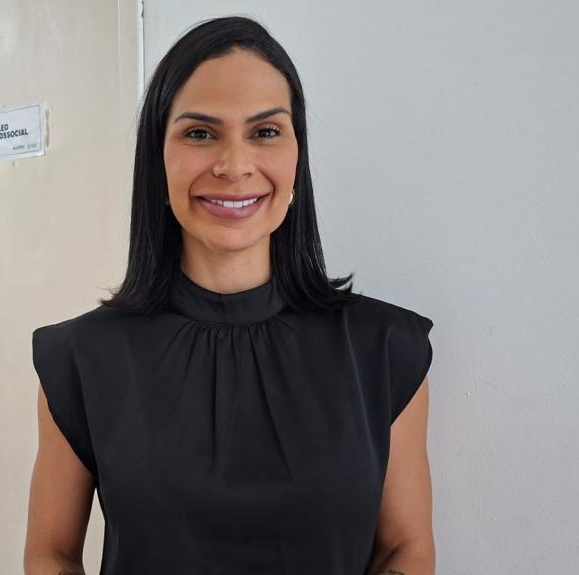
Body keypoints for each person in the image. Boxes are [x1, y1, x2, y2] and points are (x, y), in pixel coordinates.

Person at [24, 15, 435, 575]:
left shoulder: (385, 350)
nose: (235, 166)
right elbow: (50, 553)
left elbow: (405, 549)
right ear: (157, 159)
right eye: (200, 133)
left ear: (297, 158)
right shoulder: (79, 359)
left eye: (265, 132)